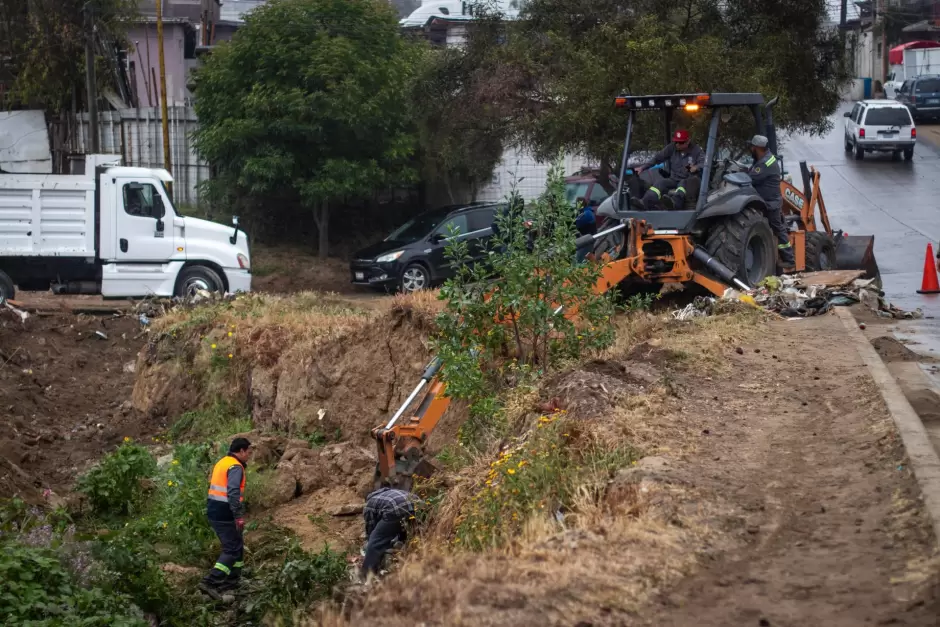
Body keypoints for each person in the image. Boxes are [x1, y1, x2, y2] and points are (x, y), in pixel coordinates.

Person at [199, 437, 252, 599]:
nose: (250, 455)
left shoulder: (223, 462)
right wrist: (238, 516)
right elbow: (233, 492)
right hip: (225, 512)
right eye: (249, 452)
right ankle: (210, 582)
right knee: (232, 548)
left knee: (237, 544)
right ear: (241, 451)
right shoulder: (235, 467)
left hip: (216, 509)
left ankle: (233, 580)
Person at [746, 134, 795, 267]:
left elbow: (751, 178)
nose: (750, 149)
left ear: (757, 148)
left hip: (771, 203)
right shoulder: (762, 159)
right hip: (768, 201)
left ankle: (789, 259)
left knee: (778, 228)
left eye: (752, 147)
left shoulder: (765, 163)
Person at [360, 483, 420, 581]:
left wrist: (370, 542)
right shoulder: (390, 493)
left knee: (375, 543)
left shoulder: (370, 503)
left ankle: (366, 577)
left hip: (395, 509)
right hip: (418, 505)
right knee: (405, 536)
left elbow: (371, 530)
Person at [636, 129, 705, 211]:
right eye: (676, 142)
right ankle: (645, 202)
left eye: (681, 142)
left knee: (682, 184)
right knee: (660, 183)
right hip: (674, 179)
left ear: (688, 141)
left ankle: (674, 203)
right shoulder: (672, 148)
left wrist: (696, 167)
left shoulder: (697, 150)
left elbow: (704, 163)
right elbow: (657, 158)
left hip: (687, 181)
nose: (677, 145)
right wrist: (643, 167)